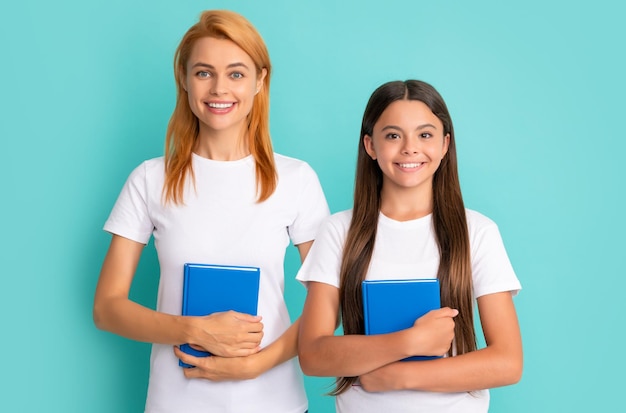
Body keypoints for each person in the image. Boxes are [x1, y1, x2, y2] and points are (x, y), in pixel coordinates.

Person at [93, 10, 329, 413]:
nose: (220, 88)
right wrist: (193, 329)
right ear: (184, 80)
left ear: (260, 80)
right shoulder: (151, 179)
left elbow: (330, 303)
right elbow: (107, 307)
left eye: (236, 73)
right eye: (204, 72)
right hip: (175, 402)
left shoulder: (297, 179)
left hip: (273, 402)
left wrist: (255, 365)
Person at [296, 80, 522, 413]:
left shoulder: (478, 232)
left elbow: (507, 361)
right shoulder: (339, 231)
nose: (409, 148)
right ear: (370, 146)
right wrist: (408, 342)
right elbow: (313, 355)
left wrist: (397, 376)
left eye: (425, 135)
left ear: (445, 145)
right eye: (392, 135)